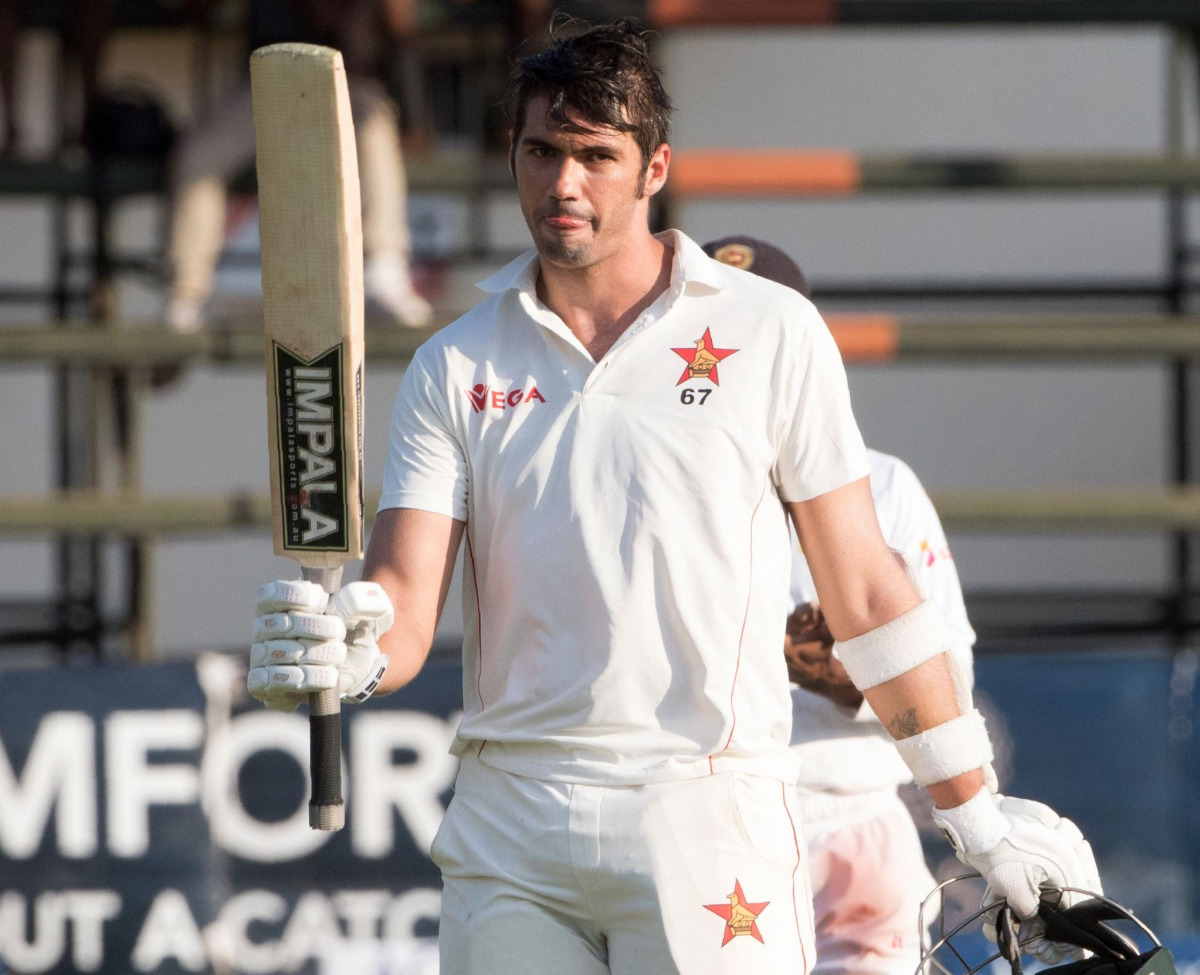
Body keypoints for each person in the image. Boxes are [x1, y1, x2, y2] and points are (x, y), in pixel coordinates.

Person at [248, 21, 1101, 975]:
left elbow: (866, 590)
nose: (563, 183)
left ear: (654, 168)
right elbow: (404, 604)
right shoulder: (455, 363)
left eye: (595, 156)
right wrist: (351, 654)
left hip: (707, 812)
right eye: (542, 151)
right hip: (511, 825)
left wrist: (975, 814)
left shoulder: (771, 330)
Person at [702, 234, 977, 975]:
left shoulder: (882, 483)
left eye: (757, 329)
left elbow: (953, 678)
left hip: (853, 809)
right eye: (716, 334)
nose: (735, 355)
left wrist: (857, 679)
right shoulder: (655, 479)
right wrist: (767, 660)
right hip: (709, 817)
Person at [164, 0, 432, 332]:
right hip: (265, 83)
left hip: (345, 82)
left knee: (373, 125)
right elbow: (196, 13)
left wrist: (415, 117)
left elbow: (399, 31)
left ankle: (385, 271)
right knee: (198, 157)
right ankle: (185, 297)